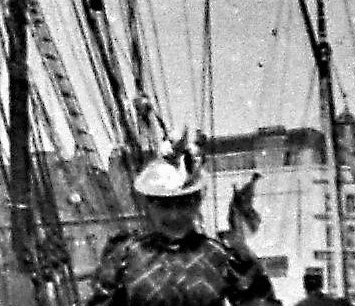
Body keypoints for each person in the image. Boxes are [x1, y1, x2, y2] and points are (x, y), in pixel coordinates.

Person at [87, 130, 279, 306]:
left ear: (197, 202)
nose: (174, 215)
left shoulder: (222, 256)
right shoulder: (124, 256)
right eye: (164, 205)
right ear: (147, 205)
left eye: (184, 204)